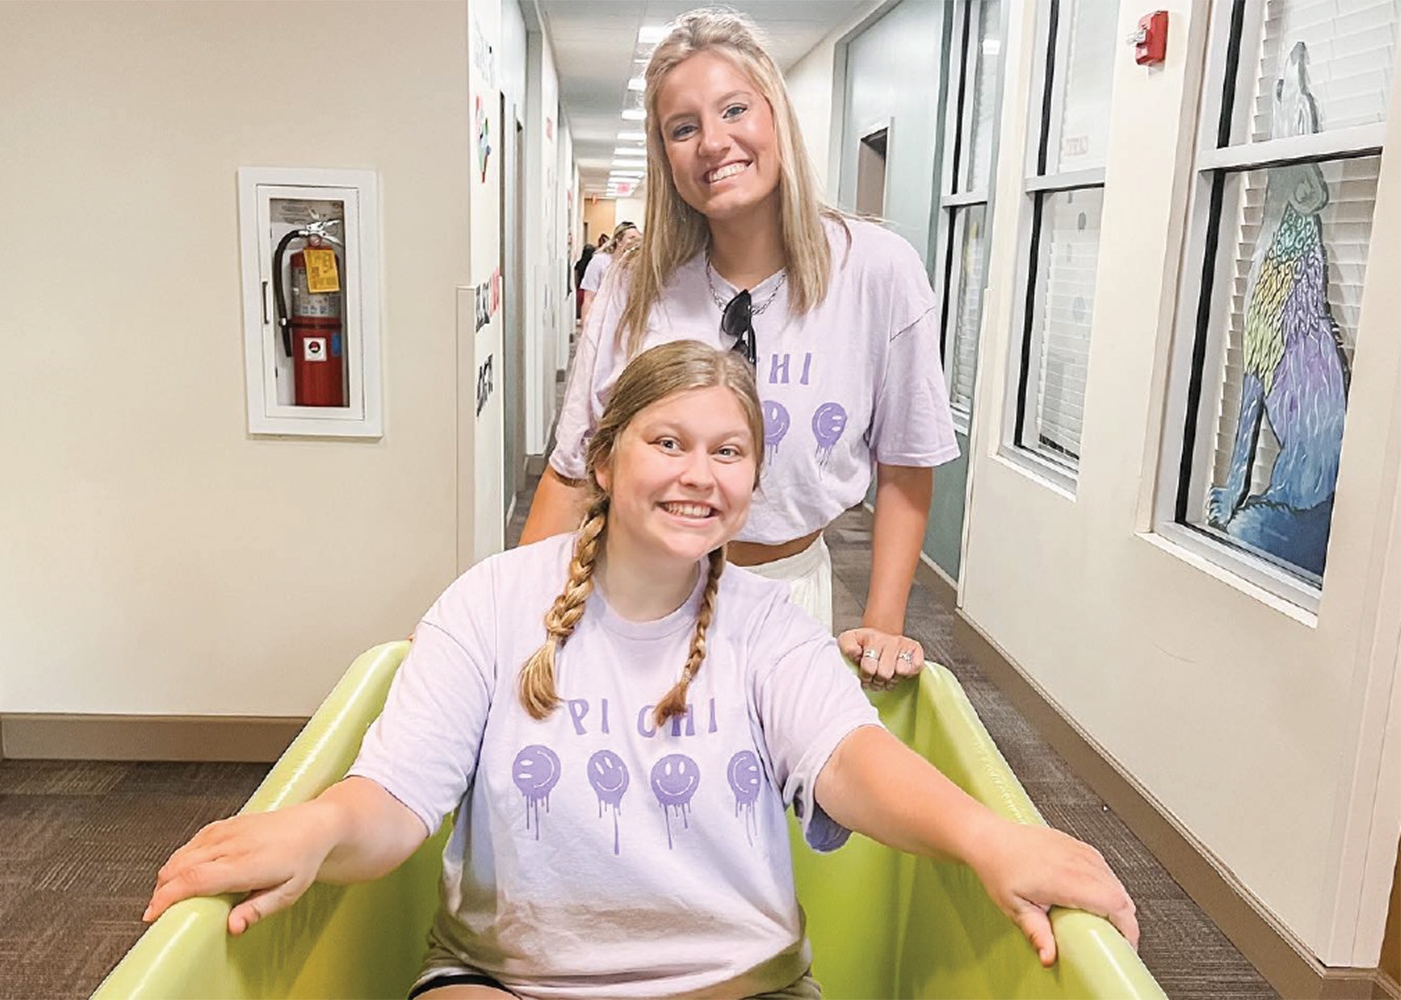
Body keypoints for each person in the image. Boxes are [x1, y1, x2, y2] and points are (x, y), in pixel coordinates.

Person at [145, 341, 1138, 1000]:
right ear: (607, 459)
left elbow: (854, 760)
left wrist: (988, 837)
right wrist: (314, 829)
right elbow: (395, 798)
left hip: (736, 980)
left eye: (728, 451)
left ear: (752, 480)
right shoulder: (490, 604)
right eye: (667, 442)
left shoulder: (769, 627)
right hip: (505, 981)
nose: (698, 473)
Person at [518, 9, 957, 693]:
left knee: (769, 793)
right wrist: (509, 620)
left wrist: (884, 620)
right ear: (665, 156)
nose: (713, 143)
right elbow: (573, 474)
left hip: (788, 595)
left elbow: (904, 465)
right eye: (683, 128)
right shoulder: (637, 284)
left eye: (734, 110)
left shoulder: (876, 271)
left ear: (775, 114)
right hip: (633, 594)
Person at [578, 221, 640, 322]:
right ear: (618, 241)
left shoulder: (635, 265)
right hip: (601, 318)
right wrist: (585, 326)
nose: (635, 242)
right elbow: (588, 298)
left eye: (638, 238)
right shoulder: (600, 261)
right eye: (631, 238)